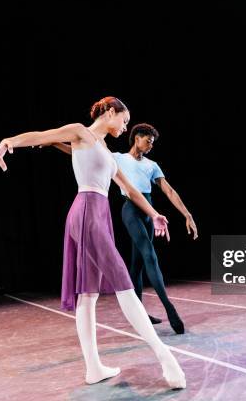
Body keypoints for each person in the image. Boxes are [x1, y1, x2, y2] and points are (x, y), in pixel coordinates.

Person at [0, 96, 186, 388]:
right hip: (86, 213)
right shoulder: (81, 132)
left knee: (89, 294)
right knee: (123, 283)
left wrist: (155, 213)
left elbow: (130, 189)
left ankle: (94, 368)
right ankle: (165, 357)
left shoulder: (106, 149)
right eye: (124, 120)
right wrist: (9, 141)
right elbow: (43, 136)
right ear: (110, 112)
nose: (125, 127)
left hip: (98, 214)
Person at [48, 123, 198, 334]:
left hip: (148, 211)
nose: (150, 145)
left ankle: (141, 314)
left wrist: (187, 214)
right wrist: (53, 142)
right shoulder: (117, 157)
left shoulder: (152, 165)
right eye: (148, 141)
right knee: (149, 256)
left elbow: (169, 191)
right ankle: (169, 308)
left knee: (137, 264)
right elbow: (77, 151)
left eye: (153, 143)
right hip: (130, 210)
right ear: (137, 137)